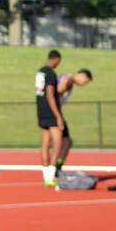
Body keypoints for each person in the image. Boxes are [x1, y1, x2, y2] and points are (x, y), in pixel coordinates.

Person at [53, 67, 92, 176]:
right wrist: (61, 90)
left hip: (55, 110)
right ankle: (55, 167)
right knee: (63, 141)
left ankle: (56, 167)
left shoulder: (67, 77)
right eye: (85, 82)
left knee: (64, 141)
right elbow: (59, 89)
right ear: (82, 75)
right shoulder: (69, 79)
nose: (84, 85)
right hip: (55, 111)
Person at [35, 50, 64, 187]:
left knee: (45, 143)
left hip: (40, 110)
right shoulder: (51, 73)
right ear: (55, 59)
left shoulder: (40, 72)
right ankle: (52, 176)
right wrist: (58, 116)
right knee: (57, 143)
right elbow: (50, 94)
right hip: (50, 110)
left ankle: (46, 178)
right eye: (59, 61)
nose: (59, 64)